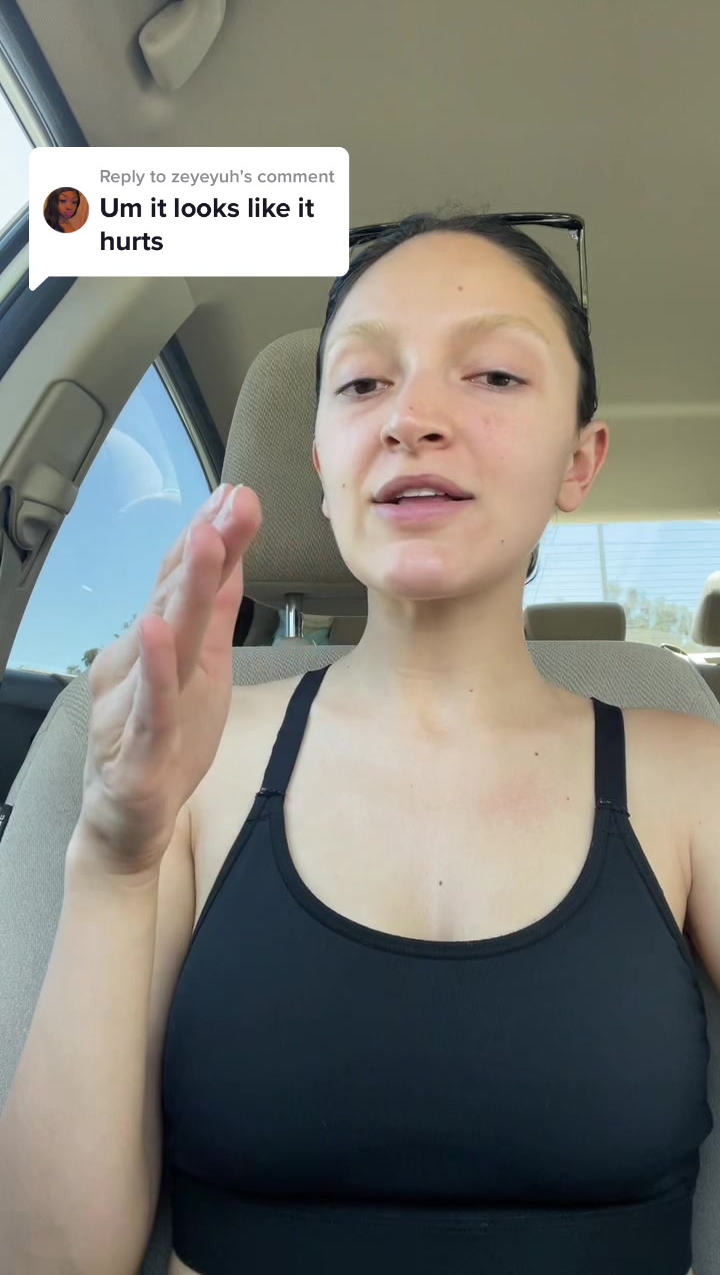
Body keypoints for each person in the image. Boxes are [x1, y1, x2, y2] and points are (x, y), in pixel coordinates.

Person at [1, 211, 718, 1275]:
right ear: (322, 464)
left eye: (494, 375)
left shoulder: (695, 775)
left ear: (581, 460)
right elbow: (52, 1262)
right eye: (364, 383)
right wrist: (111, 855)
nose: (412, 418)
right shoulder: (186, 765)